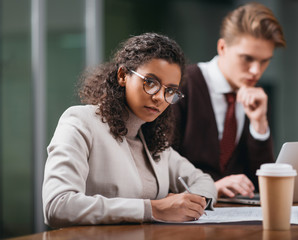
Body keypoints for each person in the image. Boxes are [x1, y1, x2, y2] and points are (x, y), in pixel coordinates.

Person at [42, 33, 217, 228]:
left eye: (170, 91)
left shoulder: (152, 140)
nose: (160, 97)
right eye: (150, 82)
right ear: (123, 75)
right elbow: (57, 205)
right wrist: (154, 209)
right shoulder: (80, 122)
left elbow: (203, 181)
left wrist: (189, 204)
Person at [172, 2, 286, 199]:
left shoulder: (254, 97)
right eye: (247, 58)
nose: (256, 71)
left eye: (264, 60)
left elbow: (259, 184)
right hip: (187, 216)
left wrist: (260, 125)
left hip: (234, 219)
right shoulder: (183, 85)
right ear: (222, 47)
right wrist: (210, 187)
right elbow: (160, 167)